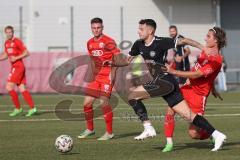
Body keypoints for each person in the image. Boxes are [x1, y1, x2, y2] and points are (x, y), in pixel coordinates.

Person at [113, 19, 226, 151]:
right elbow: (126, 60)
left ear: (150, 31)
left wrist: (201, 47)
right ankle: (217, 135)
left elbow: (185, 44)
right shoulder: (138, 44)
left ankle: (148, 127)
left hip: (165, 81)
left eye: (141, 29)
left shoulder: (161, 42)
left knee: (132, 96)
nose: (138, 31)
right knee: (189, 115)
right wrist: (112, 63)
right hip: (175, 84)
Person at [162, 26, 226, 152]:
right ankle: (169, 143)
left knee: (193, 133)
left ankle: (212, 135)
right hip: (187, 88)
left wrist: (174, 71)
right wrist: (185, 40)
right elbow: (203, 72)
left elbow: (198, 74)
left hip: (199, 95)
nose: (205, 38)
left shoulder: (217, 59)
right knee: (170, 109)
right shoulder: (205, 52)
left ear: (216, 40)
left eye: (208, 36)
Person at [77, 17, 120, 140]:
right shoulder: (89, 43)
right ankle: (90, 129)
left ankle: (109, 132)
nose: (96, 30)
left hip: (107, 76)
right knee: (87, 103)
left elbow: (118, 57)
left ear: (102, 28)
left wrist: (113, 72)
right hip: (96, 77)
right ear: (91, 28)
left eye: (98, 28)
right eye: (94, 28)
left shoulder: (109, 41)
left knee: (103, 103)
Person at [0, 26, 36, 117]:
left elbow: (27, 53)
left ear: (13, 33)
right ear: (5, 33)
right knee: (22, 88)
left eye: (10, 32)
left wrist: (16, 57)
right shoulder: (6, 43)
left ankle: (18, 108)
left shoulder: (17, 41)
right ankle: (32, 108)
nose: (9, 34)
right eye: (7, 32)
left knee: (8, 87)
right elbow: (6, 55)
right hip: (16, 67)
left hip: (18, 67)